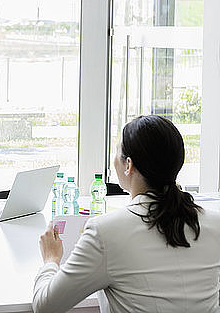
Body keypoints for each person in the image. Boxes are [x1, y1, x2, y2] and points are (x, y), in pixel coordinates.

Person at [33, 115, 220, 313]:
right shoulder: (215, 224)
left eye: (116, 151)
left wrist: (51, 260)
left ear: (128, 165)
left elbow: (45, 307)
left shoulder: (105, 231)